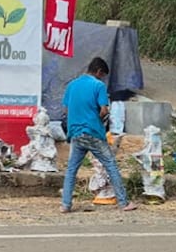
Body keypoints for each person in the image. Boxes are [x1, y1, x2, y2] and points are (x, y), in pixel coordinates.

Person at [59, 57, 138, 213]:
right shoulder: (98, 85)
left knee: (71, 170)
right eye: (102, 75)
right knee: (110, 165)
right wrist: (99, 117)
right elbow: (103, 110)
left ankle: (65, 205)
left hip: (75, 133)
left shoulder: (72, 85)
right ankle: (123, 202)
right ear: (99, 71)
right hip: (93, 132)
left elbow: (67, 111)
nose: (103, 79)